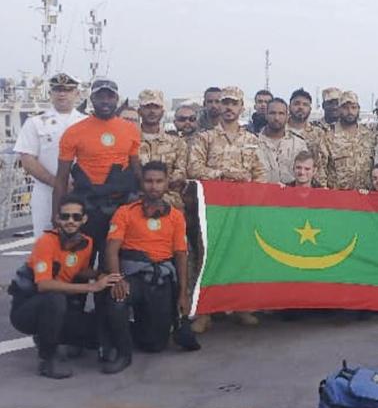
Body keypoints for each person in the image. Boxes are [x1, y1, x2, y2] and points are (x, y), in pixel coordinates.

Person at [8, 195, 121, 378]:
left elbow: (79, 271)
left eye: (76, 217)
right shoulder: (46, 241)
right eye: (65, 216)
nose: (70, 221)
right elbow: (44, 285)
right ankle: (47, 359)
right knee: (55, 298)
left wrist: (100, 275)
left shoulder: (86, 242)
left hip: (56, 308)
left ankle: (53, 337)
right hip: (27, 310)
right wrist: (91, 288)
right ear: (58, 219)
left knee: (95, 332)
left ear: (84, 219)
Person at [187, 85, 265, 332]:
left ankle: (242, 307)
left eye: (234, 103)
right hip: (213, 209)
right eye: (225, 102)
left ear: (242, 107)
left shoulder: (251, 140)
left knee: (241, 257)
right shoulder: (205, 138)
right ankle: (205, 312)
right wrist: (223, 174)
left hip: (242, 210)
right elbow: (194, 168)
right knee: (207, 257)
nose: (229, 107)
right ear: (218, 106)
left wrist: (254, 193)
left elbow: (260, 173)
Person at [102, 161, 192, 373]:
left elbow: (181, 255)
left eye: (159, 181)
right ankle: (122, 353)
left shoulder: (176, 216)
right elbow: (111, 250)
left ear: (166, 183)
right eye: (149, 181)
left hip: (160, 279)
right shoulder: (125, 212)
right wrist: (117, 279)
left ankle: (126, 331)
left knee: (155, 344)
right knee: (117, 299)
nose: (154, 186)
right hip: (133, 277)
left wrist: (182, 294)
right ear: (141, 183)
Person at [53, 78, 142, 263]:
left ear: (117, 99)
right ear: (92, 99)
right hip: (87, 206)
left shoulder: (131, 130)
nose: (105, 101)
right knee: (79, 262)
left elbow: (136, 172)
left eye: (110, 96)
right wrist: (56, 215)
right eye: (100, 96)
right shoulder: (73, 132)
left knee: (113, 263)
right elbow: (61, 177)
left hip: (119, 207)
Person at [14, 72, 86, 236]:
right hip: (45, 191)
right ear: (50, 93)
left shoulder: (87, 122)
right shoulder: (35, 123)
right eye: (58, 89)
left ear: (77, 93)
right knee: (45, 237)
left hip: (80, 191)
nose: (62, 94)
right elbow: (27, 159)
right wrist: (57, 183)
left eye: (67, 90)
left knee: (80, 240)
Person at [136, 89, 187, 209]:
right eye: (147, 107)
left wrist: (159, 186)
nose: (152, 111)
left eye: (156, 107)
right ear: (139, 111)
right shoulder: (131, 142)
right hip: (137, 201)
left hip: (170, 202)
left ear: (163, 111)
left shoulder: (177, 143)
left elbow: (181, 172)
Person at [318, 91, 375, 191]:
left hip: (364, 195)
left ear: (358, 109)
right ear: (339, 109)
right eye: (345, 108)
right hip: (338, 196)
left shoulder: (369, 135)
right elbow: (321, 169)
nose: (350, 111)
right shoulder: (328, 137)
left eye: (353, 107)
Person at [257, 98, 310, 184]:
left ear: (287, 116)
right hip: (262, 190)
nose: (276, 118)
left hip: (292, 191)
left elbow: (305, 174)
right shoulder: (253, 143)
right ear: (266, 115)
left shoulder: (299, 144)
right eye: (272, 113)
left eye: (281, 113)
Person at [287, 88, 326, 163]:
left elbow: (324, 161)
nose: (301, 107)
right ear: (289, 107)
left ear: (310, 109)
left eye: (305, 104)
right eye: (296, 104)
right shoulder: (280, 131)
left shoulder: (318, 134)